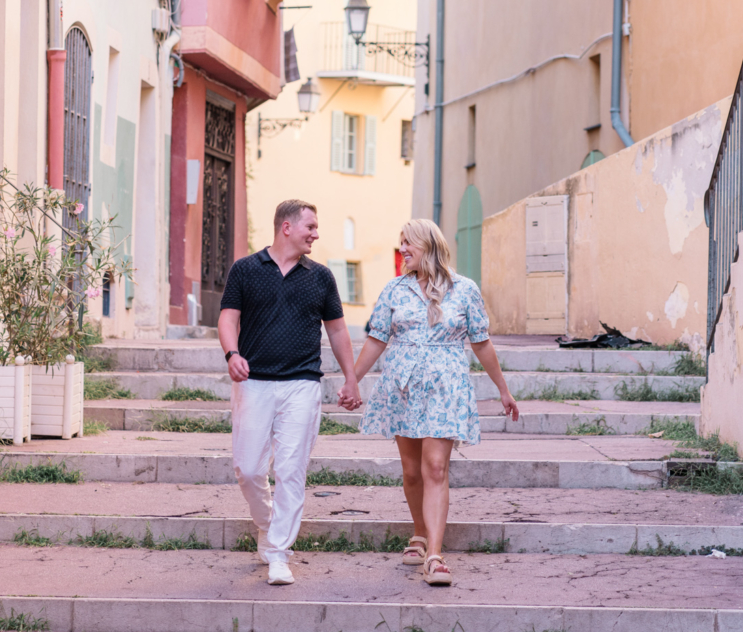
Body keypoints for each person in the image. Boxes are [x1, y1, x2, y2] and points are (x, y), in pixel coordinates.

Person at [340, 217, 518, 587]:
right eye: (400, 242)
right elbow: (376, 339)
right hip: (402, 386)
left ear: (429, 246)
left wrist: (503, 389)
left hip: (445, 386)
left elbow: (481, 342)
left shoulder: (465, 289)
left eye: (408, 243)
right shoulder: (394, 290)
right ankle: (420, 533)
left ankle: (435, 556)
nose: (402, 249)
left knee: (435, 467)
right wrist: (352, 380)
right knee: (411, 471)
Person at [218, 199, 361, 586]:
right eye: (310, 227)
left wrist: (351, 378)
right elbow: (228, 318)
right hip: (254, 383)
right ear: (286, 227)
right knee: (248, 469)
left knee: (290, 470)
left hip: (302, 383)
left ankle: (279, 552)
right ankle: (268, 525)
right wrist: (231, 353)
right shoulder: (246, 270)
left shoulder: (321, 277)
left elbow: (336, 330)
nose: (316, 233)